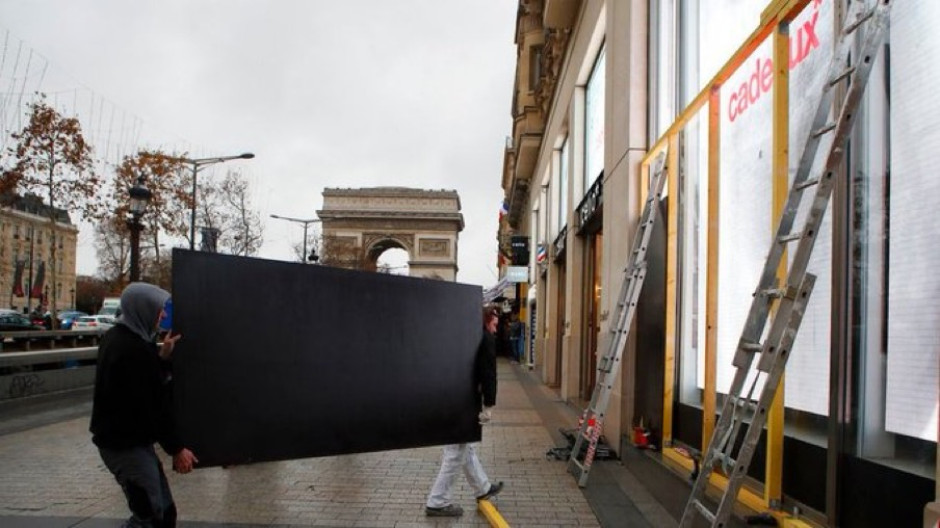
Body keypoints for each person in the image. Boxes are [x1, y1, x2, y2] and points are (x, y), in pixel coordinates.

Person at [89, 282, 197, 527]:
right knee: (149, 515)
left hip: (129, 442)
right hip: (124, 446)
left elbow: (143, 383)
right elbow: (153, 403)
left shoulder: (118, 338)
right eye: (159, 309)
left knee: (164, 512)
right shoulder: (132, 350)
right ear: (143, 309)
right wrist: (177, 449)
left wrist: (163, 357)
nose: (163, 314)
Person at [425, 305, 504, 517]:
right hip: (462, 404)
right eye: (494, 325)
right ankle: (437, 501)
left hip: (452, 399)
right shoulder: (484, 339)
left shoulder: (461, 337)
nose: (495, 331)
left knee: (464, 448)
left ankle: (482, 487)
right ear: (487, 321)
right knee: (455, 453)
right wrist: (489, 405)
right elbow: (489, 373)